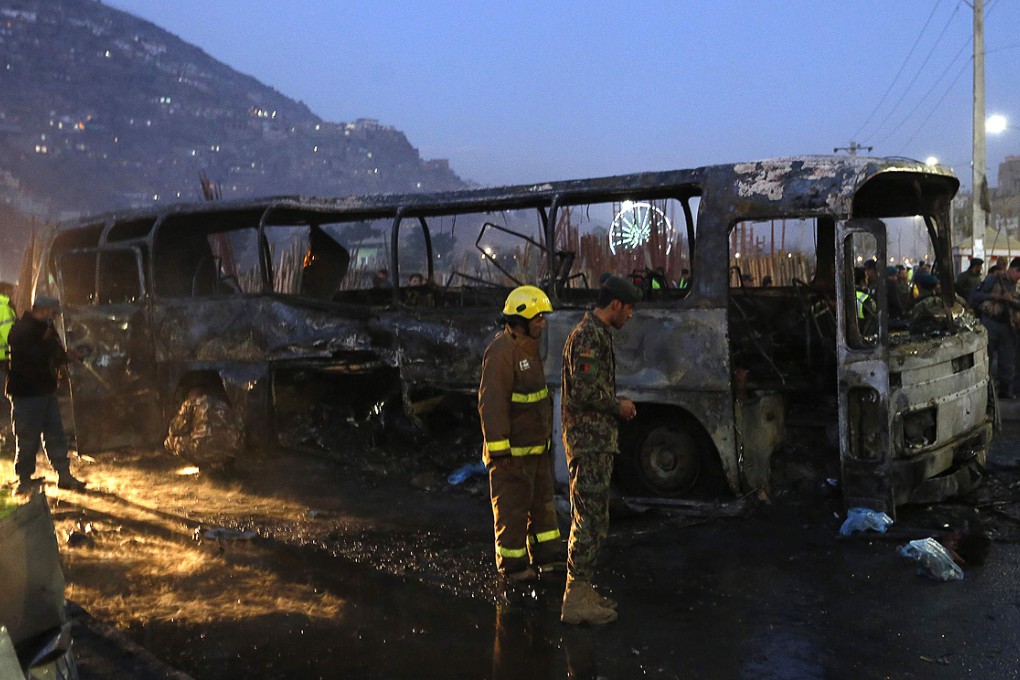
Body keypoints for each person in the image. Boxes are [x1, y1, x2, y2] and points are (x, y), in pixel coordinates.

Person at [559, 275, 642, 625]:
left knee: (595, 518)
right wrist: (618, 406)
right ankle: (575, 599)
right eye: (630, 309)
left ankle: (581, 588)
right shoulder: (588, 336)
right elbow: (583, 392)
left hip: (596, 442)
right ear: (616, 305)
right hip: (588, 442)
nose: (631, 316)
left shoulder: (596, 334)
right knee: (589, 519)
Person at [477, 285, 562, 584]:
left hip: (535, 450)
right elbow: (492, 405)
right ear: (522, 319)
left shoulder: (528, 347)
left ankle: (548, 555)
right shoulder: (502, 352)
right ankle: (513, 568)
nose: (543, 323)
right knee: (512, 511)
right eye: (539, 318)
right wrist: (500, 454)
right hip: (511, 456)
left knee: (542, 506)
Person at [5, 295, 85, 494]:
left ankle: (64, 476)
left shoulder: (45, 330)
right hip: (27, 394)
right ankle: (24, 481)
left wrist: (66, 356)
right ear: (43, 310)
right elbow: (32, 354)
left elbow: (51, 355)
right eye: (51, 312)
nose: (53, 316)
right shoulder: (22, 329)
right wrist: (51, 348)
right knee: (27, 437)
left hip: (46, 390)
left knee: (55, 434)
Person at [971, 257, 1020, 399]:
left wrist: (1012, 300)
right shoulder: (993, 280)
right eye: (1017, 271)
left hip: (1009, 325)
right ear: (1010, 269)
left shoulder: (1016, 286)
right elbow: (975, 296)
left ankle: (1005, 391)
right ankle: (984, 391)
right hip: (991, 323)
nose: (1019, 275)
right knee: (986, 357)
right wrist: (994, 296)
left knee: (1007, 360)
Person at [164, 387, 244, 473]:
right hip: (231, 450)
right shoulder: (222, 404)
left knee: (169, 442)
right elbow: (239, 426)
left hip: (204, 448)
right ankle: (223, 465)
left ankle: (203, 466)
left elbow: (174, 429)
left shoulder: (192, 403)